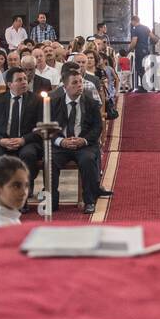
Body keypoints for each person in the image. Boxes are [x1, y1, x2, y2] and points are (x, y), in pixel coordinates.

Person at [49, 69, 104, 214]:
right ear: (65, 86)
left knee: (88, 159)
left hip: (83, 145)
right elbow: (48, 128)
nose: (79, 85)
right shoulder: (55, 103)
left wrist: (84, 140)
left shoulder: (91, 103)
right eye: (74, 83)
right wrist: (61, 141)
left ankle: (89, 201)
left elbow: (97, 127)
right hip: (62, 145)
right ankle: (52, 200)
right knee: (51, 160)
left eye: (80, 82)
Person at [0, 67, 40, 171]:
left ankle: (26, 186)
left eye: (25, 79)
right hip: (3, 140)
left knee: (28, 154)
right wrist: (0, 140)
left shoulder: (36, 100)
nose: (24, 82)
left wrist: (23, 140)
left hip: (26, 141)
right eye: (19, 80)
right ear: (9, 84)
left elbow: (40, 127)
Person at [127, 15, 153, 92]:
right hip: (146, 51)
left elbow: (134, 42)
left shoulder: (135, 29)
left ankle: (143, 87)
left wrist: (128, 50)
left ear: (133, 21)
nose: (131, 23)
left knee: (139, 68)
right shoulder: (146, 28)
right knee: (144, 68)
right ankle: (144, 85)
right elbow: (153, 37)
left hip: (139, 51)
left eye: (132, 22)